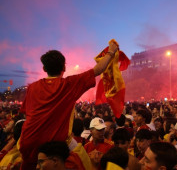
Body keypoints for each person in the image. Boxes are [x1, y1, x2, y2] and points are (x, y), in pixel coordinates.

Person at [19, 40, 118, 169]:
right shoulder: (68, 85)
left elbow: (27, 114)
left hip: (27, 142)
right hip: (55, 144)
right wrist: (111, 51)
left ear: (44, 68)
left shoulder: (31, 87)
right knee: (85, 162)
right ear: (64, 67)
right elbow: (97, 70)